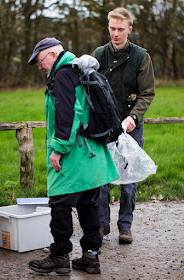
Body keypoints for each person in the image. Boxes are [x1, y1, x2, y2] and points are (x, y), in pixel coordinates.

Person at [27, 38, 119, 275]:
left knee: (60, 203)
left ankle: (59, 256)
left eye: (40, 61)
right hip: (92, 152)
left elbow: (67, 113)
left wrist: (58, 149)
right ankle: (91, 257)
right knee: (89, 204)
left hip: (74, 152)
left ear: (51, 54)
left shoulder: (63, 74)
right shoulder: (77, 69)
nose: (39, 67)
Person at [92, 7, 155, 243]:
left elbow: (147, 93)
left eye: (120, 29)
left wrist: (134, 118)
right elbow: (89, 87)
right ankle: (101, 224)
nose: (115, 34)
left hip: (130, 125)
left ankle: (125, 226)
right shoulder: (98, 54)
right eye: (112, 28)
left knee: (129, 178)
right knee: (102, 177)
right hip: (104, 125)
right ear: (108, 27)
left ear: (129, 29)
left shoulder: (141, 57)